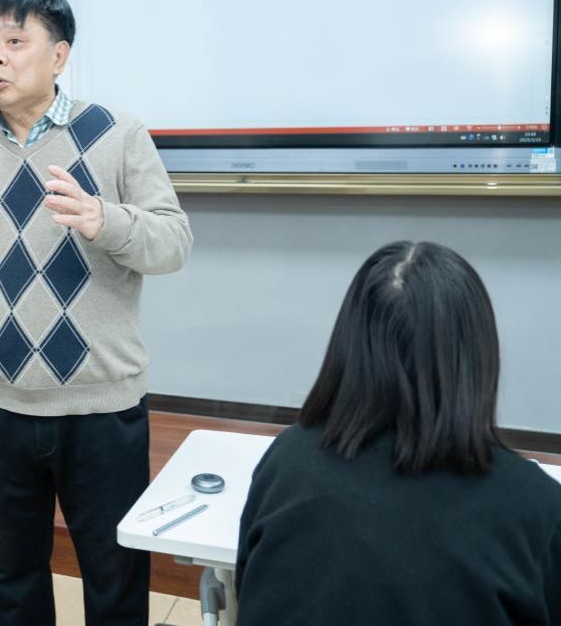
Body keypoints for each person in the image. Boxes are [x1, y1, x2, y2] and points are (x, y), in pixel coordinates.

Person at [0, 0, 193, 624]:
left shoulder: (117, 135)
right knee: (11, 578)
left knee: (114, 578)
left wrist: (104, 220)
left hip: (99, 405)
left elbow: (173, 243)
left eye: (13, 41)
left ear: (59, 55)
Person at [236, 241, 561, 625]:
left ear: (348, 344)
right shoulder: (537, 507)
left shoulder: (287, 459)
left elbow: (247, 587)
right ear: (477, 353)